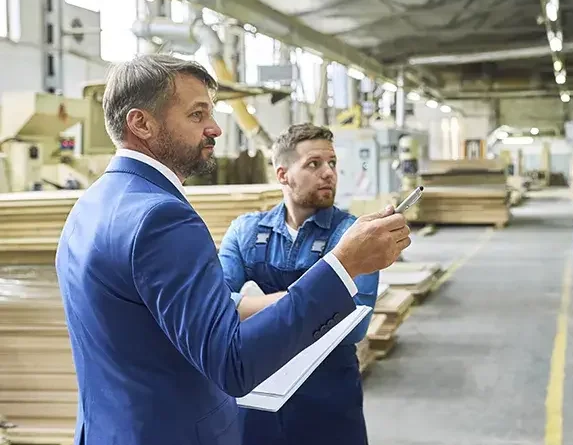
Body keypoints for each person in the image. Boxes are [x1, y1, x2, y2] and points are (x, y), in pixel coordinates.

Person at [55, 54, 411, 445]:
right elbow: (232, 364)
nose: (215, 128)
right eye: (196, 114)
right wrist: (343, 265)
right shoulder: (163, 218)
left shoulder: (89, 206)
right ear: (141, 123)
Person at [218, 123, 378, 445]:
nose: (328, 173)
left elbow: (354, 324)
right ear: (282, 174)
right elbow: (219, 308)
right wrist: (316, 300)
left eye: (332, 163)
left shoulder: (355, 235)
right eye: (313, 164)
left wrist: (252, 306)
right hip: (255, 397)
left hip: (328, 400)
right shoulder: (245, 232)